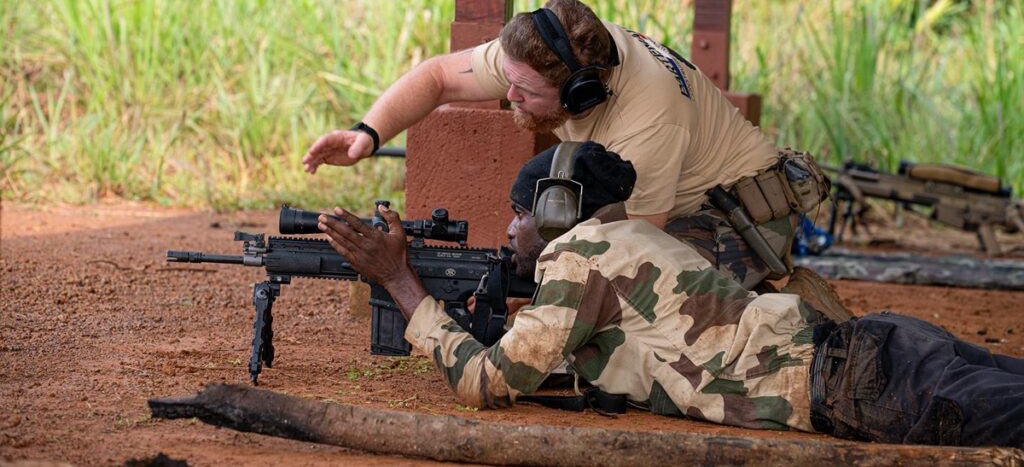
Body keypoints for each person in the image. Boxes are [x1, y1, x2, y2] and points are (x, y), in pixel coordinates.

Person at [318, 142, 1024, 447]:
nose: (511, 226)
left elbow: (486, 381)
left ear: (559, 210)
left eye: (520, 210)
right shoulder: (636, 241)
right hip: (876, 352)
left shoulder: (579, 255)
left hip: (863, 386)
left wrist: (399, 279)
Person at [304, 0, 834, 297]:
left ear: (580, 91)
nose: (508, 96)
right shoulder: (543, 54)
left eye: (525, 93)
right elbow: (439, 76)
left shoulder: (648, 120)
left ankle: (779, 308)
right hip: (671, 201)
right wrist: (366, 134)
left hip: (740, 216)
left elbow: (634, 249)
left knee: (629, 308)